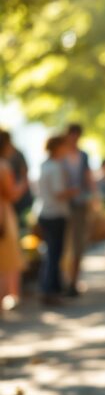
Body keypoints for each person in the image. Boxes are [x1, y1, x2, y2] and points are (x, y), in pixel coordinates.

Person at [37, 135, 77, 306]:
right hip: (55, 214)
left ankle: (48, 288)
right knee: (54, 254)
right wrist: (73, 191)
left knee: (51, 253)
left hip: (46, 213)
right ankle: (50, 290)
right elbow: (59, 192)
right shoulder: (54, 168)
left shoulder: (45, 166)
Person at [62, 123, 94, 296]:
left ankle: (74, 280)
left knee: (78, 243)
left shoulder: (83, 156)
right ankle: (65, 278)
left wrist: (93, 198)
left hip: (80, 204)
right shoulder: (61, 155)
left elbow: (88, 178)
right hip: (64, 205)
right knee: (65, 244)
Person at [0, 131, 28, 311]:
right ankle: (8, 296)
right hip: (3, 216)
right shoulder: (3, 167)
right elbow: (12, 194)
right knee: (7, 261)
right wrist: (24, 182)